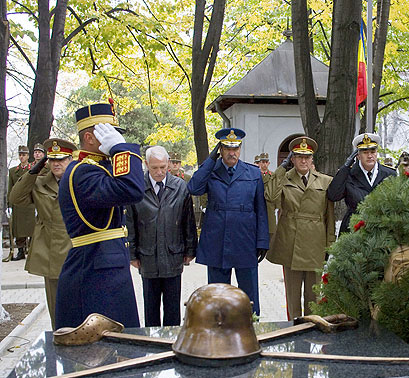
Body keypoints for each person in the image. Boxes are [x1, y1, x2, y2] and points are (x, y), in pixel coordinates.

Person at [56, 101, 144, 329]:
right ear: (89, 138)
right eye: (107, 132)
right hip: (94, 272)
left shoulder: (95, 168)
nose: (113, 137)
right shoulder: (82, 171)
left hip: (103, 265)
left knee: (118, 342)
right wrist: (121, 149)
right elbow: (132, 189)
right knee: (99, 347)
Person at [187, 128, 269, 316]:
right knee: (217, 297)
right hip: (217, 242)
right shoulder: (211, 171)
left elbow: (261, 210)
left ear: (240, 149)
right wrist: (210, 160)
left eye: (235, 148)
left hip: (245, 241)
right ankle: (218, 331)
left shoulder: (253, 173)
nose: (232, 153)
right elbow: (193, 187)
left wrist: (262, 241)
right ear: (220, 150)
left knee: (249, 296)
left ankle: (251, 328)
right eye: (227, 148)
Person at [8, 138, 77, 328]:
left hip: (76, 248)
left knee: (79, 304)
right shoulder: (39, 183)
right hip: (52, 250)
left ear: (70, 160)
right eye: (52, 159)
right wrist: (33, 171)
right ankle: (59, 340)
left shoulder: (78, 181)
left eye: (61, 159)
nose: (56, 164)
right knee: (57, 308)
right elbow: (15, 198)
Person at [265, 137, 335, 319]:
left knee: (314, 298)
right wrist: (281, 169)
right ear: (292, 159)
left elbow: (329, 216)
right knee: (293, 297)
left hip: (315, 243)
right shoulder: (283, 178)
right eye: (298, 157)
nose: (303, 161)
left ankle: (312, 330)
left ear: (312, 159)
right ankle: (293, 330)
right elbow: (271, 198)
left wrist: (330, 244)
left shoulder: (325, 181)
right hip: (291, 243)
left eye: (307, 157)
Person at [127, 146, 197, 327]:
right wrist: (132, 254)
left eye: (163, 167)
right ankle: (152, 344)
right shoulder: (137, 187)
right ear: (146, 165)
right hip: (147, 255)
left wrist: (190, 250)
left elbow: (188, 220)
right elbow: (130, 223)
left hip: (173, 254)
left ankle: (172, 342)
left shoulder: (180, 187)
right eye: (154, 168)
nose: (159, 172)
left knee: (172, 307)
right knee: (150, 306)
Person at [327, 133, 396, 235]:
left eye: (373, 151)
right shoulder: (348, 174)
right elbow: (333, 195)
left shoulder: (389, 174)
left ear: (377, 153)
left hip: (381, 229)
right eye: (365, 152)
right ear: (358, 155)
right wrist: (345, 167)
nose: (369, 156)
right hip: (353, 229)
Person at [6, 145, 35, 261]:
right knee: (19, 230)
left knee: (32, 229)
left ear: (28, 156)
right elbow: (11, 189)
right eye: (20, 155)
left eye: (24, 155)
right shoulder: (13, 171)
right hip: (18, 205)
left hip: (30, 203)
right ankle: (20, 250)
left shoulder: (33, 169)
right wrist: (9, 205)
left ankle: (32, 252)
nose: (22, 157)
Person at [257, 152, 277, 241]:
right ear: (259, 163)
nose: (264, 164)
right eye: (262, 162)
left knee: (271, 230)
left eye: (266, 162)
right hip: (258, 205)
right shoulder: (255, 175)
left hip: (269, 206)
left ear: (268, 163)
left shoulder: (272, 176)